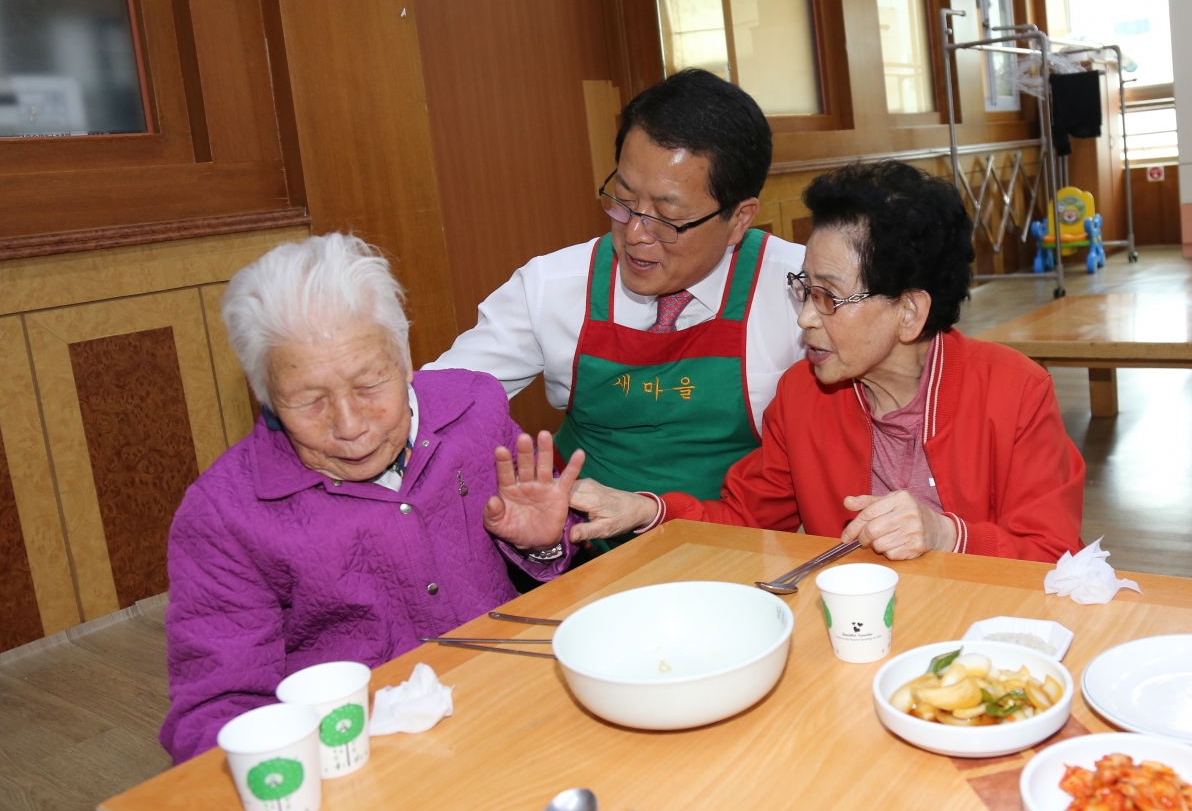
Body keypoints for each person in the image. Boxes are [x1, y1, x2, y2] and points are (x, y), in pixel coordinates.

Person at [160, 234, 581, 761]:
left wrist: (542, 546)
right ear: (264, 393)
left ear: (405, 361)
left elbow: (554, 569)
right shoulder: (225, 513)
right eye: (308, 401)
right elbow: (217, 709)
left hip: (520, 705)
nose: (350, 426)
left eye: (369, 386)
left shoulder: (474, 410)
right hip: (363, 757)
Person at [571, 162, 1085, 561]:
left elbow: (1051, 554)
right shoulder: (802, 395)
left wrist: (945, 533)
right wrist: (646, 508)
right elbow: (745, 518)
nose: (805, 321)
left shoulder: (1014, 391)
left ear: (909, 311)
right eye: (804, 289)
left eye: (829, 297)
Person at [425, 70, 805, 553]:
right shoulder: (555, 286)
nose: (635, 235)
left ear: (739, 219)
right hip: (581, 554)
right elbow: (439, 403)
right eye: (623, 201)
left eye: (668, 218)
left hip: (738, 550)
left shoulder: (802, 291)